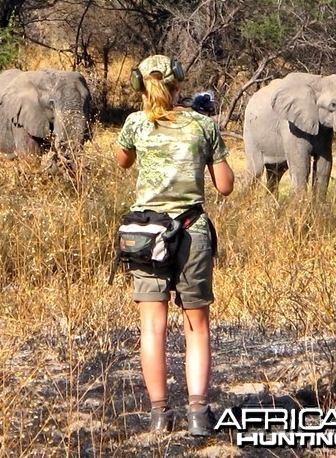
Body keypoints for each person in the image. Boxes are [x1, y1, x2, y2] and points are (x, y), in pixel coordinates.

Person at [115, 54, 234, 436]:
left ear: (140, 85)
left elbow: (122, 161)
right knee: (196, 326)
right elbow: (225, 185)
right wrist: (208, 133)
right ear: (179, 82)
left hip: (145, 237)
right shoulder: (202, 125)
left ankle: (159, 415)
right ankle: (198, 414)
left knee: (153, 328)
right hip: (191, 232)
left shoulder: (135, 123)